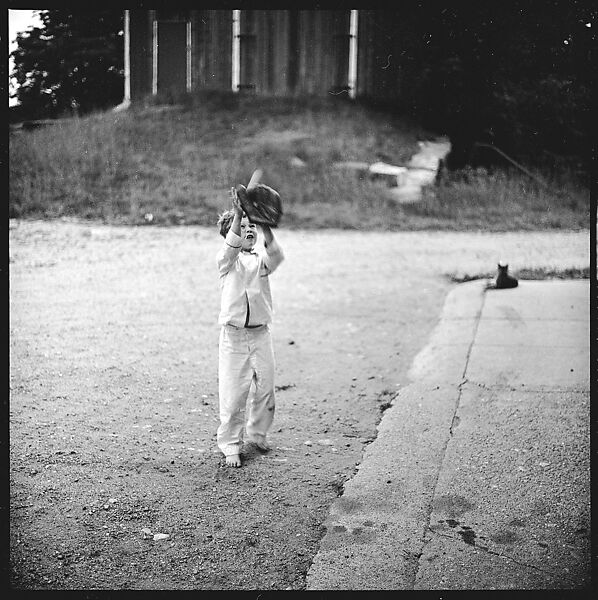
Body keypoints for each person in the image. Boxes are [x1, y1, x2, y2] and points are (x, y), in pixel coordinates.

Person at [215, 187, 285, 467]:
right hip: (233, 338)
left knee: (266, 388)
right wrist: (239, 214)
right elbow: (230, 247)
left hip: (260, 334)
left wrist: (265, 225)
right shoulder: (226, 262)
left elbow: (276, 256)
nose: (249, 230)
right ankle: (230, 443)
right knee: (233, 394)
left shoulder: (261, 261)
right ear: (231, 234)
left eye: (251, 226)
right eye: (243, 227)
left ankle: (257, 433)